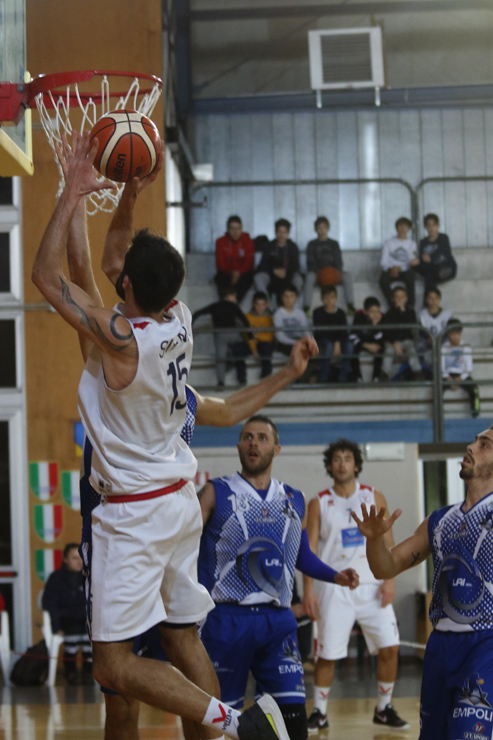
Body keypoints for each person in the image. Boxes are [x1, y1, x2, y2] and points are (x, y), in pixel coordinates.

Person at [32, 131, 291, 740]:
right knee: (181, 635)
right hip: (177, 501)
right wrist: (126, 193)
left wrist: (70, 194)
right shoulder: (178, 317)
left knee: (113, 666)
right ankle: (229, 726)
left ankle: (236, 722)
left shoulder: (122, 343)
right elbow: (108, 261)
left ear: (127, 288)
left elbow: (47, 276)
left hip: (135, 515)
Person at [197, 416, 359, 740]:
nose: (253, 443)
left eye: (262, 437)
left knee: (294, 722)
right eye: (247, 437)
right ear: (238, 446)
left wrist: (336, 576)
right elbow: (182, 544)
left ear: (276, 448)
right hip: (226, 620)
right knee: (220, 724)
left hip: (278, 622)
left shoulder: (294, 498)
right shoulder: (216, 491)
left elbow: (301, 555)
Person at [351, 426, 493, 740]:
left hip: (485, 644)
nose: (471, 447)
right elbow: (386, 567)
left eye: (484, 444)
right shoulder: (439, 520)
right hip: (440, 646)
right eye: (474, 441)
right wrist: (374, 540)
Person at [303, 439, 409, 732]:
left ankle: (383, 708)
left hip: (373, 585)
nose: (342, 464)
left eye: (347, 458)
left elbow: (389, 542)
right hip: (335, 587)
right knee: (327, 654)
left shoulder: (374, 496)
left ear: (357, 465)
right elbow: (309, 550)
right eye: (336, 459)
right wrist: (308, 589)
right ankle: (320, 712)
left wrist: (390, 580)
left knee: (390, 647)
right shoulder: (318, 502)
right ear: (329, 466)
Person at [42, 543, 92, 685]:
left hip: (86, 620)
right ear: (65, 559)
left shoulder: (89, 577)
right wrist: (56, 627)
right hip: (66, 620)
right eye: (74, 558)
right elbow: (50, 604)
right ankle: (71, 672)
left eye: (81, 558)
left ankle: (88, 672)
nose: (79, 562)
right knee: (72, 639)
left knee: (90, 638)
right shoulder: (56, 578)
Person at [192, 287, 255, 387]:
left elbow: (197, 313)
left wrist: (191, 325)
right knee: (240, 353)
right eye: (234, 296)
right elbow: (245, 321)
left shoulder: (214, 306)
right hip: (234, 334)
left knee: (220, 358)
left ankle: (221, 381)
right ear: (230, 296)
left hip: (220, 334)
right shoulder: (233, 306)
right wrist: (250, 336)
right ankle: (241, 378)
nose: (235, 299)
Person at [303, 217, 355, 315]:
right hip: (318, 274)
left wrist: (333, 272)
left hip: (333, 273)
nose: (322, 230)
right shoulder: (312, 244)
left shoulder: (334, 244)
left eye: (324, 227)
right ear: (316, 229)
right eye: (319, 228)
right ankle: (306, 307)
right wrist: (321, 272)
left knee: (347, 276)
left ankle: (351, 305)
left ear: (328, 229)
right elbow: (310, 262)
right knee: (309, 277)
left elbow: (338, 261)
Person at [255, 219, 303, 305]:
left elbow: (296, 266)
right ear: (275, 232)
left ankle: (291, 305)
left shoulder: (292, 247)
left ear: (288, 233)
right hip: (271, 275)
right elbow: (262, 264)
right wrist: (274, 270)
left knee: (298, 279)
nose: (281, 235)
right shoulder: (269, 246)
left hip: (288, 275)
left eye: (284, 232)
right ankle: (267, 305)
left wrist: (286, 271)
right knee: (258, 277)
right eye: (279, 232)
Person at [312, 286, 353, 383]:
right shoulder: (317, 312)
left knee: (349, 346)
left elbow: (343, 331)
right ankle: (323, 378)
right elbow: (320, 332)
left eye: (332, 297)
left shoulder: (341, 313)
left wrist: (337, 342)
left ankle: (343, 378)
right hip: (322, 339)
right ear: (322, 299)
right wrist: (335, 342)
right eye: (326, 298)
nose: (329, 300)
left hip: (338, 340)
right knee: (329, 346)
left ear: (336, 298)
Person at [382, 286, 424, 381]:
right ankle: (384, 374)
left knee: (411, 351)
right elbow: (387, 331)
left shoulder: (410, 312)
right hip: (393, 341)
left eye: (402, 296)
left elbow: (411, 327)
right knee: (388, 351)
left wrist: (403, 312)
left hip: (407, 340)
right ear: (393, 299)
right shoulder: (389, 314)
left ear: (406, 298)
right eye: (397, 297)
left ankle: (418, 372)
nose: (399, 299)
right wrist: (394, 343)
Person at [442, 318, 480, 418]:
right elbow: (441, 367)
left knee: (474, 389)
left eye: (457, 334)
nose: (455, 337)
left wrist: (461, 378)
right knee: (437, 388)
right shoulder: (444, 347)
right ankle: (438, 414)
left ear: (461, 333)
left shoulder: (466, 347)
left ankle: (475, 413)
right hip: (448, 374)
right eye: (452, 334)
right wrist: (447, 377)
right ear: (448, 334)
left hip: (462, 374)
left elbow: (469, 368)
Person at [379, 217, 419, 309]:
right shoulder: (389, 243)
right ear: (396, 228)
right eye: (400, 226)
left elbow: (412, 261)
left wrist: (400, 268)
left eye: (405, 226)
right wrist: (391, 268)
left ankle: (410, 306)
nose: (403, 228)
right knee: (383, 280)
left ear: (409, 229)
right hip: (390, 270)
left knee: (411, 277)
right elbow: (383, 261)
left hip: (404, 270)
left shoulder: (412, 244)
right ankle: (393, 305)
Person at [214, 216, 255, 303]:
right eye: (232, 229)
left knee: (248, 277)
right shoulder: (220, 242)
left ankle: (235, 302)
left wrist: (238, 272)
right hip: (227, 272)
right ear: (228, 230)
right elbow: (220, 263)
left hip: (242, 273)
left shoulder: (248, 241)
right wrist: (232, 272)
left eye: (238, 228)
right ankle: (225, 302)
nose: (235, 232)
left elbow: (249, 263)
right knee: (220, 277)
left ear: (241, 229)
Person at [416, 213, 457, 295]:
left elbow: (445, 254)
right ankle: (432, 299)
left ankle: (429, 300)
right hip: (431, 269)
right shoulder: (423, 242)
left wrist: (431, 258)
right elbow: (422, 258)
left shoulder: (443, 238)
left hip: (446, 268)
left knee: (430, 276)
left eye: (434, 225)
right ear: (425, 227)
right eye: (429, 226)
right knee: (418, 265)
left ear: (438, 226)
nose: (431, 228)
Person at [349, 297, 387, 382]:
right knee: (352, 349)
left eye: (377, 311)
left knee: (382, 348)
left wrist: (375, 326)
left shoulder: (381, 318)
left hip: (374, 343)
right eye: (372, 312)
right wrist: (365, 345)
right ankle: (357, 377)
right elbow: (352, 336)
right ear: (365, 312)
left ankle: (376, 377)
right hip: (362, 343)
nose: (375, 315)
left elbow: (381, 339)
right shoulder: (359, 318)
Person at [418, 288, 452, 368]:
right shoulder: (422, 314)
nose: (433, 301)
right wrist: (429, 338)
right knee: (419, 346)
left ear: (439, 299)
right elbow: (421, 331)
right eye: (430, 298)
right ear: (426, 300)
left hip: (442, 341)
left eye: (436, 298)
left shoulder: (447, 314)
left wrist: (439, 339)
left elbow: (449, 331)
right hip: (427, 342)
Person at [273, 286, 310, 357]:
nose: (288, 299)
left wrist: (307, 341)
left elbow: (306, 331)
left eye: (291, 296)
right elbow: (279, 336)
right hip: (284, 344)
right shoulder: (278, 314)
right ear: (282, 298)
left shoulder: (300, 313)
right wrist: (296, 342)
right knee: (297, 350)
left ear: (296, 298)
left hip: (299, 340)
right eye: (286, 296)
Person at [246, 291, 274, 378]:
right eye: (257, 304)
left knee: (266, 348)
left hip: (264, 344)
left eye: (263, 305)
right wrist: (254, 350)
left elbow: (270, 337)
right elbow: (247, 336)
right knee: (237, 348)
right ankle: (241, 381)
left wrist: (257, 336)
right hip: (251, 344)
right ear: (253, 304)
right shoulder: (247, 317)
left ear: (267, 305)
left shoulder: (270, 317)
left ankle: (266, 378)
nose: (260, 308)